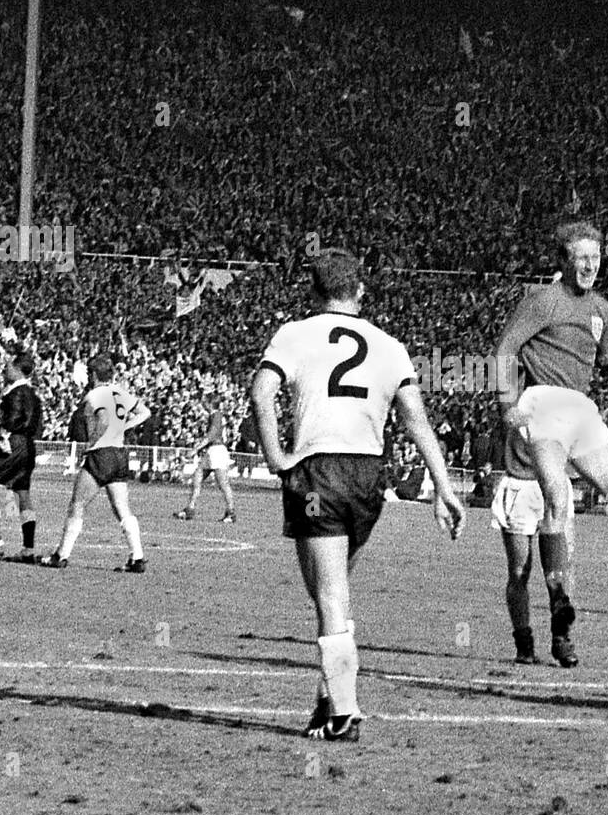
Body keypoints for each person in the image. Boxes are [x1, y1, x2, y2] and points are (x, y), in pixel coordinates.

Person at [250, 249, 465, 743]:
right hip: (369, 475)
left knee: (326, 593)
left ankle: (345, 711)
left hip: (318, 471)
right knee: (334, 592)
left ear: (313, 291)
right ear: (360, 291)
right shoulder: (389, 345)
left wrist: (276, 457)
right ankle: (327, 699)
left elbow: (261, 392)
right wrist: (444, 488)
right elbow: (415, 419)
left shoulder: (295, 333)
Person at [494, 219, 608, 670]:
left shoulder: (602, 310)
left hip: (582, 410)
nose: (591, 265)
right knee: (557, 495)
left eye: (596, 258)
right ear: (563, 260)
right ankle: (558, 600)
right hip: (544, 403)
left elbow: (604, 358)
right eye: (581, 258)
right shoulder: (542, 302)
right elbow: (503, 350)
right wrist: (506, 405)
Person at [40, 355, 151, 572]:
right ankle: (137, 557)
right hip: (120, 454)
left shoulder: (95, 394)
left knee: (77, 504)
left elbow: (103, 419)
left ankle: (61, 555)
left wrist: (92, 443)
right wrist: (125, 427)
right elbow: (145, 412)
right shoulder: (120, 392)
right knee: (122, 508)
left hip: (102, 454)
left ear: (92, 375)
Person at [491, 428, 575, 665]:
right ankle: (524, 645)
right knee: (519, 571)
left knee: (559, 572)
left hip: (555, 486)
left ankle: (561, 638)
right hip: (521, 486)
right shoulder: (517, 396)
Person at [0, 351, 43, 563]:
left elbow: (11, 420)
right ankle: (28, 549)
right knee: (23, 496)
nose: (5, 370)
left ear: (17, 369)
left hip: (11, 444)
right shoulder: (33, 395)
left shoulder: (16, 393)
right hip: (28, 446)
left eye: (8, 366)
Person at [173, 392, 236, 523]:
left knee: (223, 483)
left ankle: (231, 512)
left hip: (217, 451)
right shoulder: (214, 416)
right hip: (212, 451)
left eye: (204, 401)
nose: (202, 404)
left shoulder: (216, 416)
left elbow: (211, 436)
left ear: (209, 403)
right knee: (197, 477)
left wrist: (195, 449)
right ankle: (190, 508)